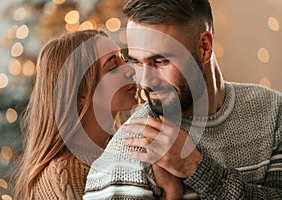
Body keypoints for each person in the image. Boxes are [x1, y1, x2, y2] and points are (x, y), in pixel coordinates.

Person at [84, 0, 282, 199]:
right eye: (136, 62)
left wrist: (198, 169)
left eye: (160, 61)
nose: (144, 80)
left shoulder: (273, 111)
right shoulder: (130, 154)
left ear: (204, 47)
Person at [13, 30, 138, 199]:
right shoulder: (63, 178)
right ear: (81, 93)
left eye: (123, 59)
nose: (131, 69)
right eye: (113, 66)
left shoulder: (130, 144)